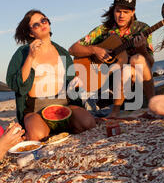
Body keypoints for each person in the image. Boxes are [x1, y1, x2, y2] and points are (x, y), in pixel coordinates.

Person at [6, 9, 96, 141]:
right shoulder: (22, 53)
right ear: (31, 33)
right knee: (38, 136)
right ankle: (43, 128)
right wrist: (30, 58)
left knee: (88, 123)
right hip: (36, 108)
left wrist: (76, 87)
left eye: (43, 20)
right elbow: (18, 85)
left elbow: (72, 85)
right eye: (36, 24)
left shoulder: (63, 53)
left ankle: (63, 126)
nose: (42, 24)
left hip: (64, 104)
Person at [68, 0, 155, 118]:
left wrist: (142, 49)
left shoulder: (142, 29)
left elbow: (150, 64)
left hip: (134, 80)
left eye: (126, 12)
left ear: (133, 12)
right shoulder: (104, 30)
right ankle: (115, 111)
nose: (121, 15)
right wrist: (94, 50)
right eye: (118, 11)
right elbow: (72, 49)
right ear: (113, 10)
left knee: (137, 60)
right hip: (107, 84)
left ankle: (153, 105)